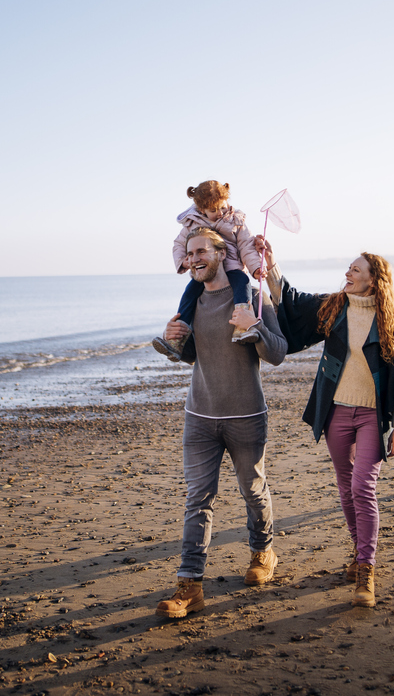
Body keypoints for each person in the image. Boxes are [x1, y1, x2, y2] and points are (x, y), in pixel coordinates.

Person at [258, 237, 394, 608]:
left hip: (370, 416)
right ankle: (357, 550)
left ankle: (366, 568)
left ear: (374, 280)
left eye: (355, 269)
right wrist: (270, 263)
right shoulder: (333, 307)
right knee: (346, 485)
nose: (347, 273)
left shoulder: (390, 319)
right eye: (348, 268)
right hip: (335, 412)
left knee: (363, 487)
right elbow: (293, 300)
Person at [155, 228, 287, 618]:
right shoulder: (192, 301)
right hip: (199, 415)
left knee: (252, 489)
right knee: (198, 498)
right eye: (189, 252)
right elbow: (195, 356)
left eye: (201, 251)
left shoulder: (251, 296)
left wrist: (255, 325)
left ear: (220, 252)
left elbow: (277, 353)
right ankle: (189, 584)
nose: (193, 258)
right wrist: (174, 339)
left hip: (246, 415)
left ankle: (263, 553)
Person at [153, 180, 265, 362]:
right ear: (201, 209)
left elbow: (246, 245)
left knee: (243, 284)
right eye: (214, 211)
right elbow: (179, 245)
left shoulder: (235, 220)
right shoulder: (192, 223)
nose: (220, 213)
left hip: (233, 267)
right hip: (204, 272)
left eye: (222, 207)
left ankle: (242, 327)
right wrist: (184, 262)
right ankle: (177, 338)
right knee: (189, 293)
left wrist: (256, 268)